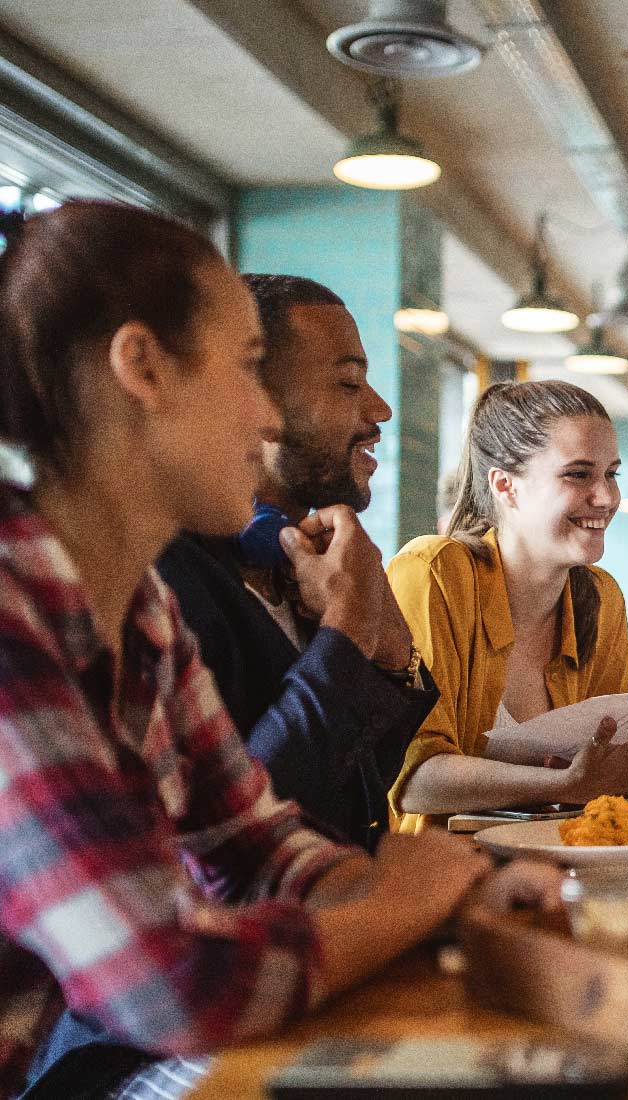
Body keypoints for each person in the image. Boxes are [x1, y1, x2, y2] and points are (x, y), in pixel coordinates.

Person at [0, 201, 555, 1100]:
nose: (265, 417)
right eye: (250, 368)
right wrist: (401, 902)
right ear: (141, 366)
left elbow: (252, 839)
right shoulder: (11, 612)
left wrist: (447, 888)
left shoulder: (140, 609)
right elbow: (168, 984)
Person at [153, 274, 434, 855]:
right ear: (251, 397)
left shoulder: (314, 559)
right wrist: (349, 631)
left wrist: (392, 653)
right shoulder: (167, 575)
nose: (379, 409)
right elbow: (248, 830)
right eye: (348, 383)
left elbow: (359, 787)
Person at [386, 380, 628, 833]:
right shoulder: (432, 574)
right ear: (505, 486)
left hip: (563, 862)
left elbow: (615, 761)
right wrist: (564, 783)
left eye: (611, 474)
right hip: (445, 875)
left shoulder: (601, 597)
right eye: (578, 474)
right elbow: (414, 782)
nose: (607, 497)